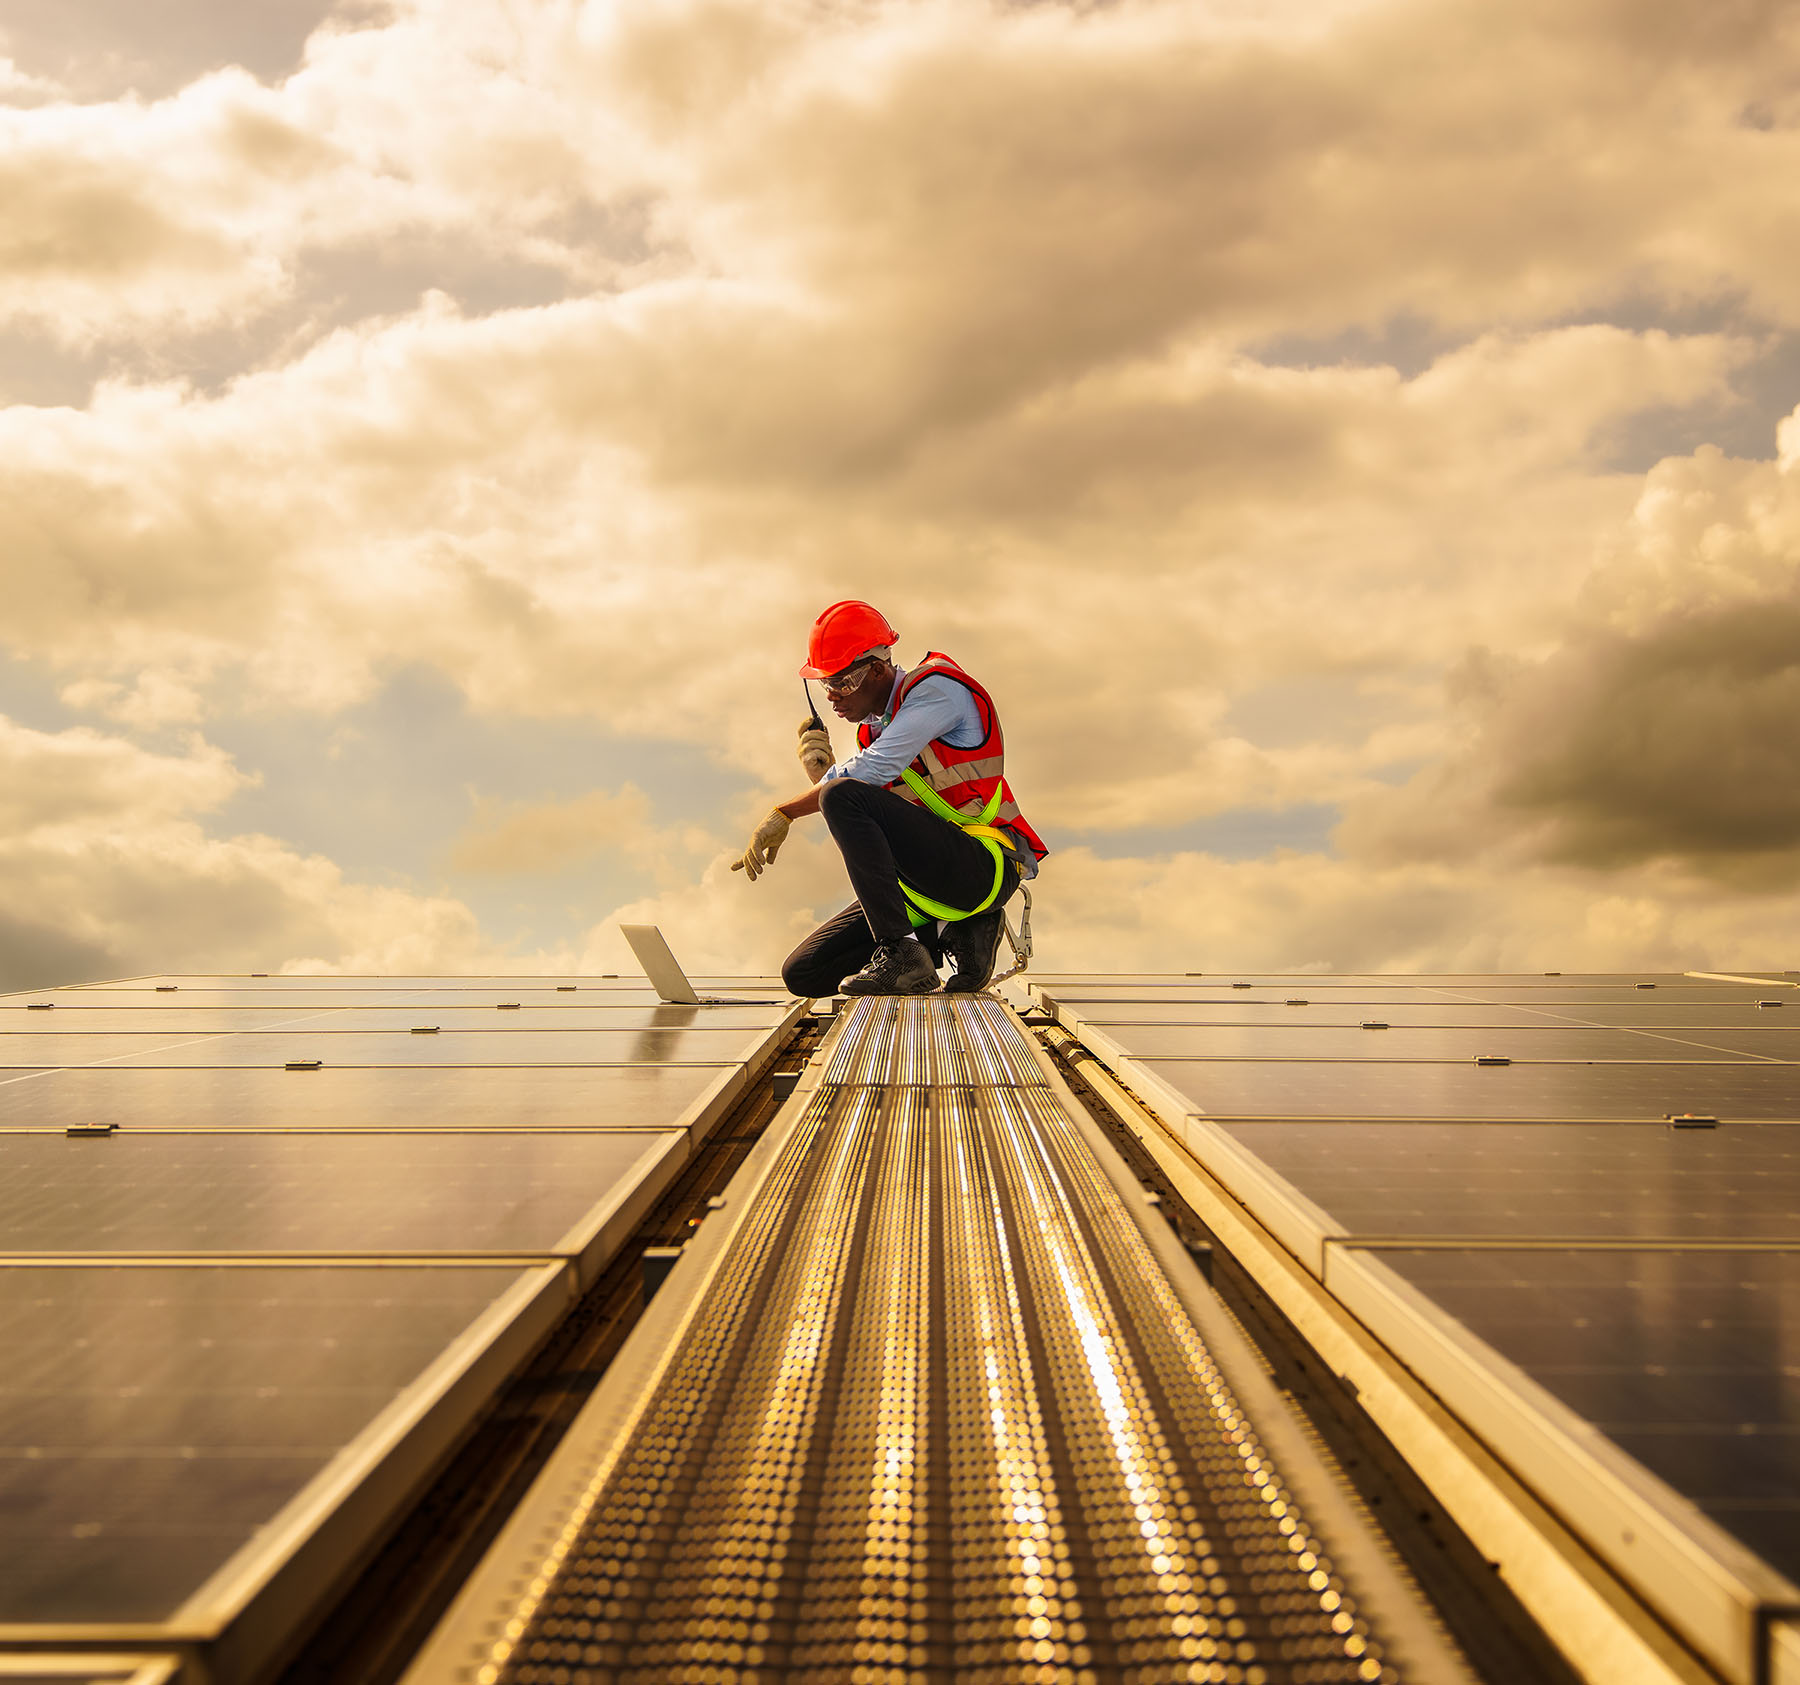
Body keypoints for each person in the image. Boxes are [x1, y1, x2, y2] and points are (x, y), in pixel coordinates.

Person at [731, 601, 1048, 996]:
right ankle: (956, 931)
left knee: (842, 795)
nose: (832, 697)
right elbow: (874, 817)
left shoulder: (936, 690)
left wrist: (786, 812)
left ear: (878, 670)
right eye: (826, 685)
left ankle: (903, 951)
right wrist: (819, 774)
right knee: (805, 974)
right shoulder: (876, 734)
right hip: (929, 884)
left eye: (842, 683)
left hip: (985, 866)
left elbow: (865, 779)